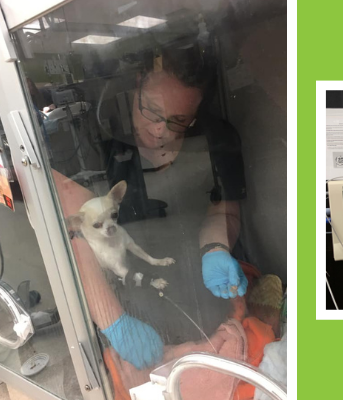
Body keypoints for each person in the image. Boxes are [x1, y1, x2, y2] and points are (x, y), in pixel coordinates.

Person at [53, 42, 249, 370]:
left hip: (191, 277)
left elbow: (223, 209)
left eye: (178, 121)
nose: (160, 131)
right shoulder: (90, 142)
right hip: (120, 289)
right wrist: (113, 321)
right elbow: (74, 239)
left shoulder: (216, 139)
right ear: (138, 82)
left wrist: (215, 247)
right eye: (153, 113)